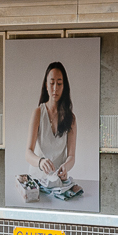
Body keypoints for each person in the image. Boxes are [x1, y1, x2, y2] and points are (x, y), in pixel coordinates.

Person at [21, 61, 82, 201]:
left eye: (59, 83)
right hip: (36, 182)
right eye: (52, 83)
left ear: (64, 87)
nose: (55, 88)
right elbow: (28, 153)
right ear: (46, 85)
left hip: (57, 184)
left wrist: (65, 167)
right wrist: (40, 162)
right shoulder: (38, 113)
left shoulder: (71, 118)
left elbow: (71, 156)